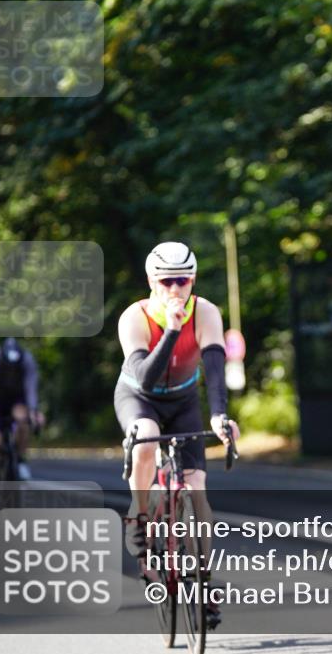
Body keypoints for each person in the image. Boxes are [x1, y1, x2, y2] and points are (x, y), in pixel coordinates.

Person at [114, 241, 240, 627]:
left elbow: (214, 368)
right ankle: (139, 512)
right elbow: (144, 377)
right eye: (166, 281)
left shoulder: (206, 312)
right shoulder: (134, 317)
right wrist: (171, 329)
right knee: (146, 437)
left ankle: (202, 579)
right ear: (151, 281)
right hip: (139, 398)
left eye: (182, 281)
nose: (174, 289)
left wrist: (219, 415)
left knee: (196, 488)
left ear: (193, 280)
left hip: (183, 401)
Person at [0, 337, 43, 481]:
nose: (11, 370)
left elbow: (31, 388)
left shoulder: (27, 360)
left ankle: (20, 459)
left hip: (16, 399)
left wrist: (33, 411)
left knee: (23, 419)